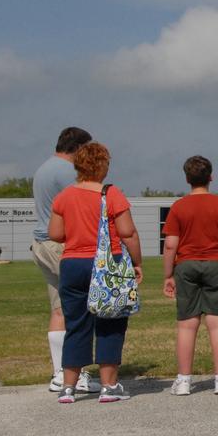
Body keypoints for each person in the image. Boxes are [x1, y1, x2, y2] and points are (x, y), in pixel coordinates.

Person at [47, 142, 143, 404]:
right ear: (103, 166)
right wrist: (137, 262)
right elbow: (128, 232)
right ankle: (109, 386)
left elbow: (55, 233)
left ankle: (68, 387)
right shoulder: (111, 195)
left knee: (76, 325)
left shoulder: (64, 197)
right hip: (106, 265)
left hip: (72, 265)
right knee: (110, 322)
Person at [162, 156, 218, 396]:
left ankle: (184, 381)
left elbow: (170, 245)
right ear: (211, 177)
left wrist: (168, 274)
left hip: (186, 265)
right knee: (217, 325)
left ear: (187, 179)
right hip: (217, 264)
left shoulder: (179, 207)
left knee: (187, 325)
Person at [31, 126, 99, 394]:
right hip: (62, 245)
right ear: (78, 148)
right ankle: (76, 372)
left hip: (41, 243)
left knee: (59, 308)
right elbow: (83, 203)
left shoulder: (44, 169)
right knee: (79, 310)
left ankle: (60, 372)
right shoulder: (68, 173)